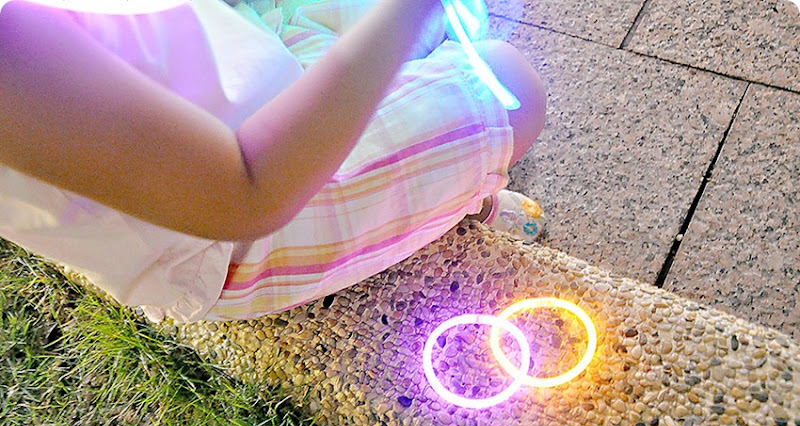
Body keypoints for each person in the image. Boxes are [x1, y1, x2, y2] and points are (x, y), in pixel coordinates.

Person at [0, 0, 547, 322]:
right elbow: (247, 196)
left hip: (245, 49)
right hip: (226, 235)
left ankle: (434, 167)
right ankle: (457, 200)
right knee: (506, 85)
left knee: (434, 31)